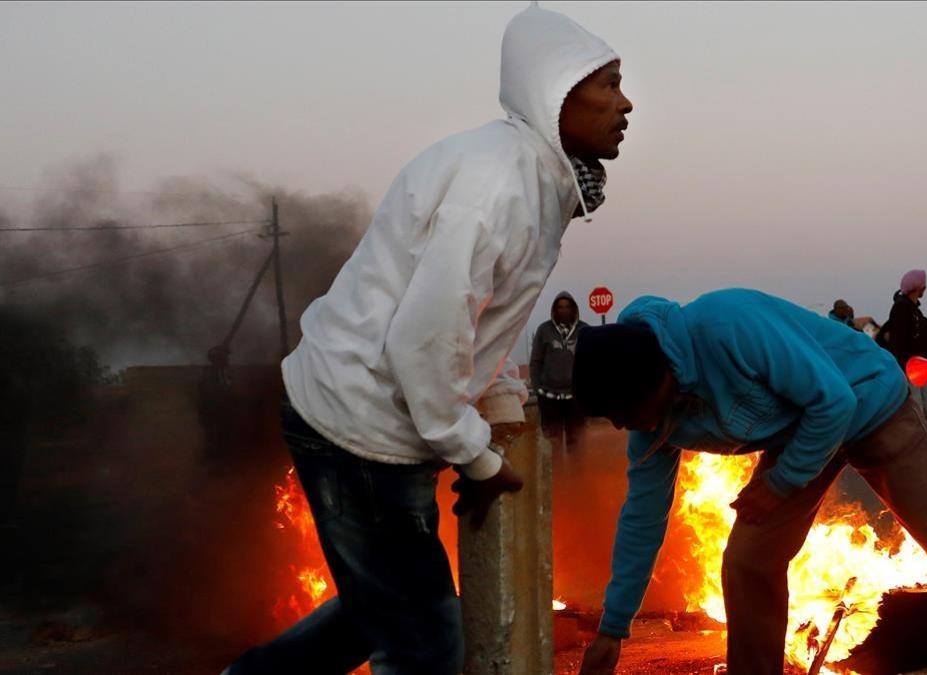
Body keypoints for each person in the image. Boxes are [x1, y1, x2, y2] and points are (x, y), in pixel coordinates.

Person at [225, 6, 632, 674]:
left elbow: (485, 319)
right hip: (357, 425)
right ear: (556, 92)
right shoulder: (498, 185)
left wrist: (497, 406)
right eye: (608, 83)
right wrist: (474, 453)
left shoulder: (535, 180)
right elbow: (425, 338)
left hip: (376, 419)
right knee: (425, 645)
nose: (627, 102)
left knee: (377, 610)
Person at [574, 289, 927, 675]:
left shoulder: (726, 327)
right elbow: (641, 520)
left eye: (626, 412)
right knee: (749, 560)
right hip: (798, 434)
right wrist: (613, 631)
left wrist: (780, 483)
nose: (627, 427)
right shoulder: (652, 424)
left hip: (870, 403)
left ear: (658, 377)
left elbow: (833, 401)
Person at [877, 269, 927, 429]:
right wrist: (903, 369)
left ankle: (926, 444)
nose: (925, 288)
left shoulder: (917, 313)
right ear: (917, 286)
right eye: (923, 284)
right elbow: (897, 342)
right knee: (918, 413)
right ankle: (921, 447)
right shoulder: (901, 309)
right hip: (910, 370)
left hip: (923, 370)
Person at [530, 292, 589, 453]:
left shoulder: (584, 330)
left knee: (577, 442)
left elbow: (592, 361)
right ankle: (557, 476)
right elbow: (535, 362)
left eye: (567, 306)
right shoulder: (544, 330)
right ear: (555, 310)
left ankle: (577, 475)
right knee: (552, 442)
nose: (564, 310)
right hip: (549, 396)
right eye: (560, 307)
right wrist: (537, 389)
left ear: (574, 309)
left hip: (576, 396)